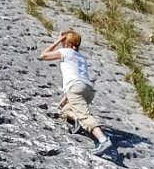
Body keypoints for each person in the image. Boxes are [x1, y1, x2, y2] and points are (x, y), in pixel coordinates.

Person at [38, 29, 113, 157]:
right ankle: (77, 120)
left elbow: (43, 55)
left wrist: (57, 41)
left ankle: (103, 140)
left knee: (85, 116)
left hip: (76, 88)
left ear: (66, 42)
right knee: (65, 109)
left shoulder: (66, 52)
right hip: (88, 89)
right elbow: (77, 78)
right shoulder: (80, 57)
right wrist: (63, 100)